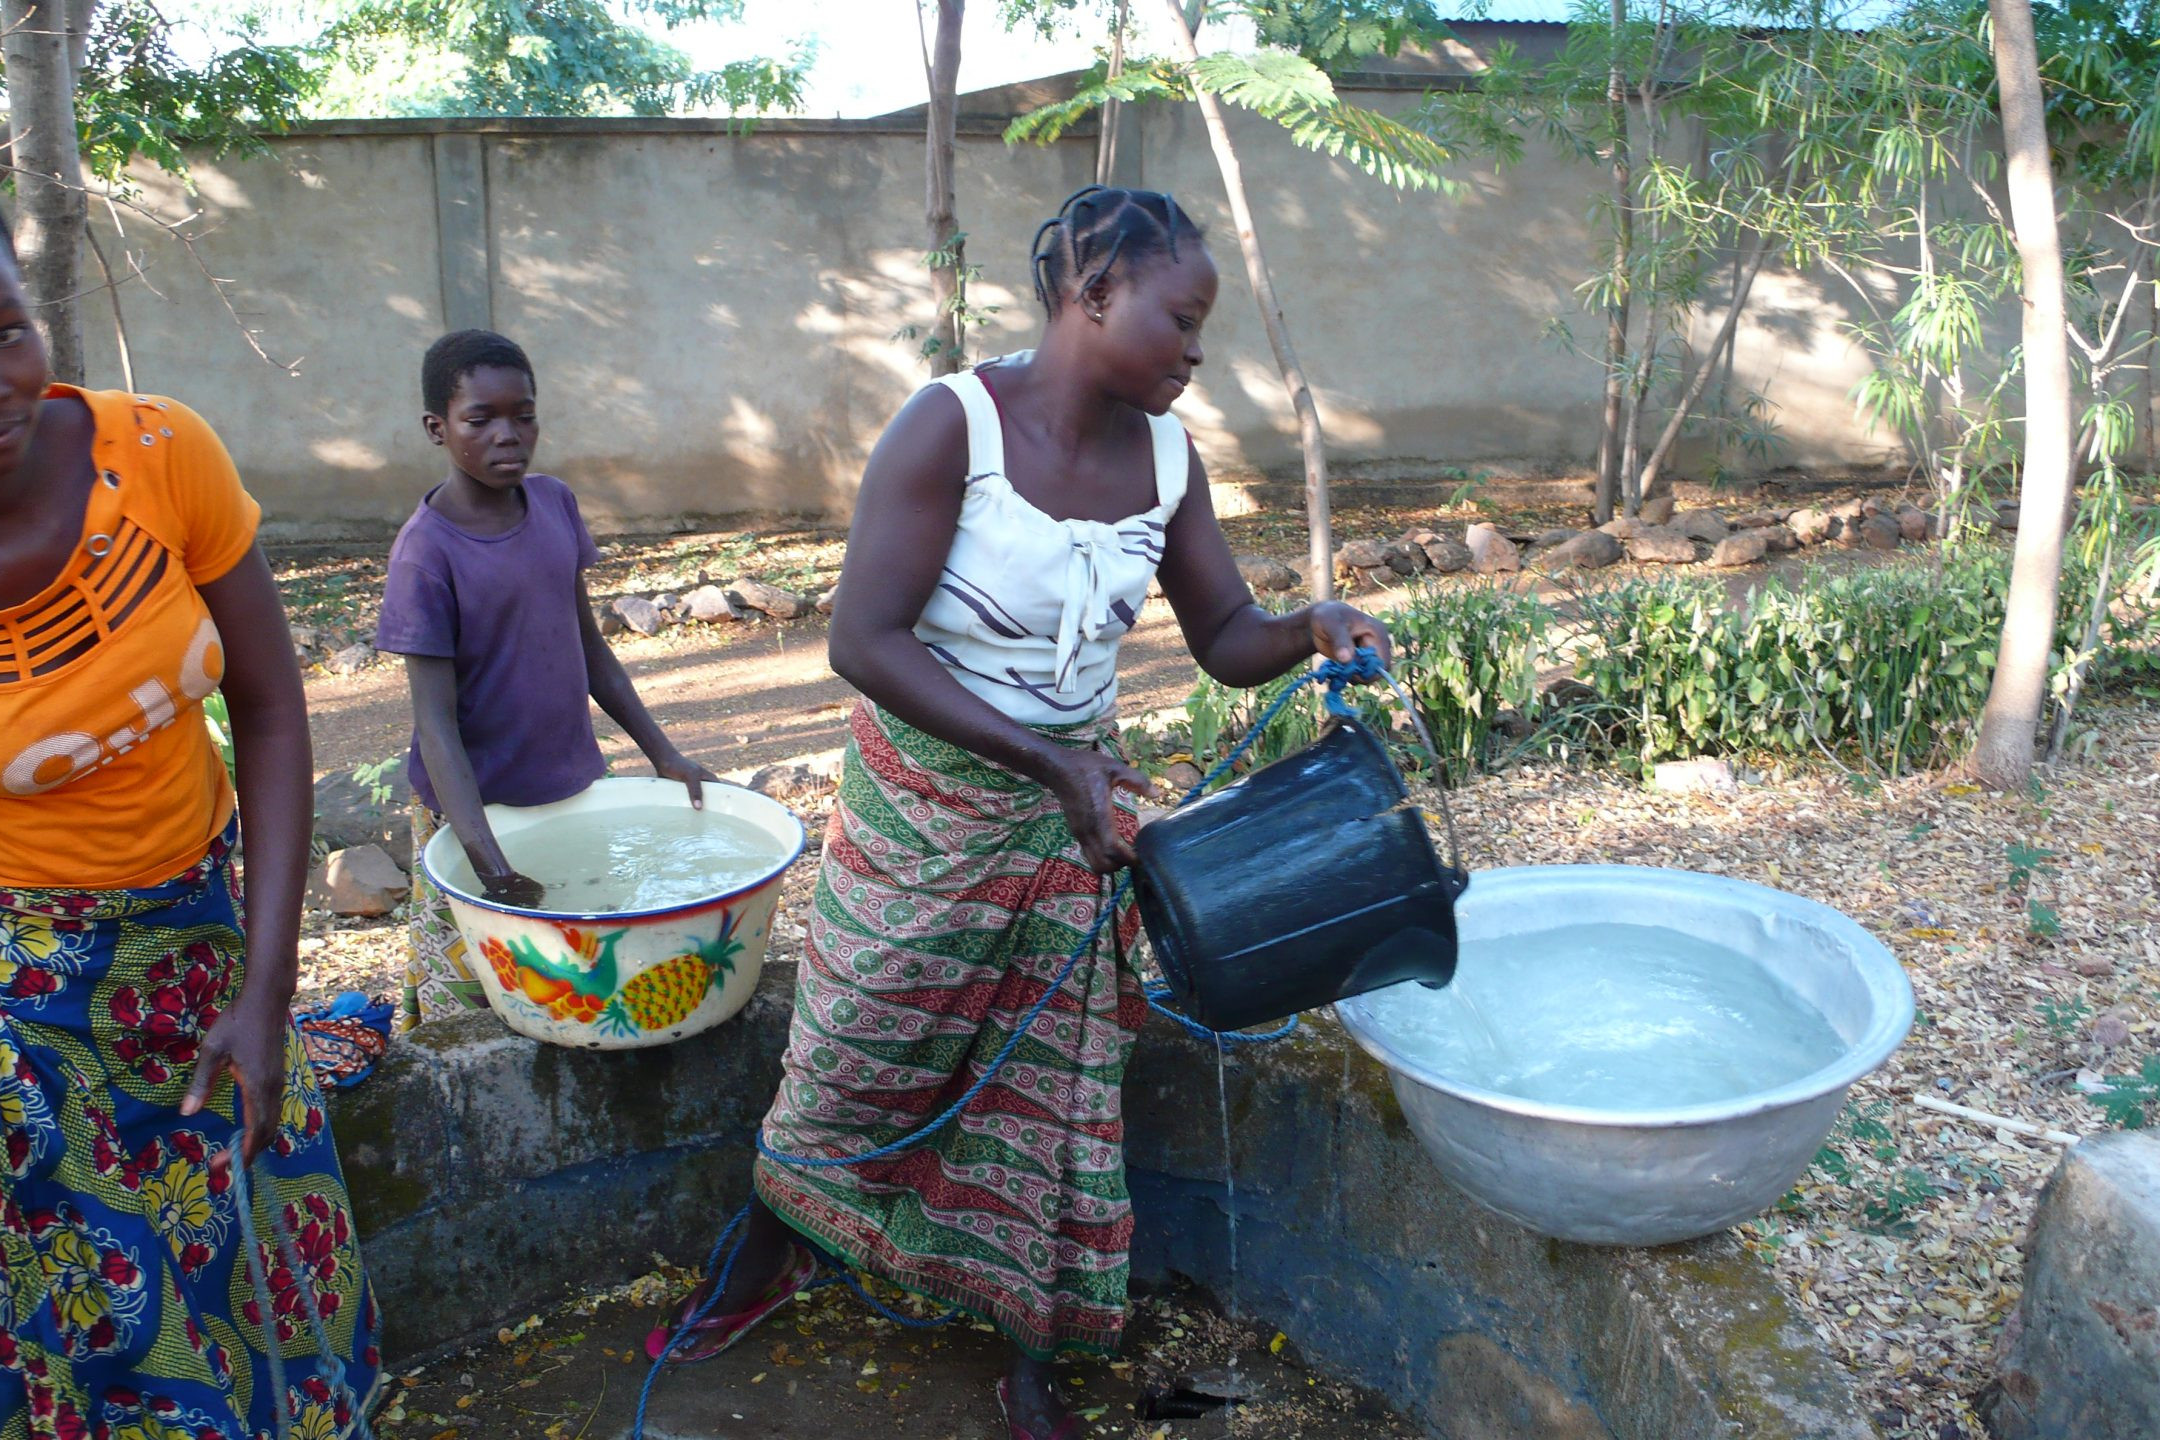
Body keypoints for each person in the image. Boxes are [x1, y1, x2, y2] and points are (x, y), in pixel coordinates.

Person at [651, 186, 1392, 1439]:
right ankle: (775, 1239)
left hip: (1073, 813)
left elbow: (1222, 636)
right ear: (1093, 296)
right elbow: (863, 641)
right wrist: (1052, 771)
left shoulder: (1168, 457)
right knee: (856, 1040)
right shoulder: (952, 428)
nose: (1199, 352)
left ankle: (1028, 1341)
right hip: (929, 801)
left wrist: (1310, 623)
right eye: (1183, 320)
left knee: (1053, 1086)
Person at [0, 219, 380, 1436]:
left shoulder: (159, 453)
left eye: (5, 332)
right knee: (103, 1314)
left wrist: (269, 993)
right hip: (25, 991)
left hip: (208, 930)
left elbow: (267, 712)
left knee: (273, 1261)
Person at [375, 330, 716, 1030]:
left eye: (523, 415)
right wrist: (489, 866)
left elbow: (589, 649)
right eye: (481, 419)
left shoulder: (555, 504)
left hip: (571, 787)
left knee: (576, 975)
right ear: (437, 428)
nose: (509, 435)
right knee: (468, 992)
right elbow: (434, 723)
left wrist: (664, 753)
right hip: (474, 812)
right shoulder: (426, 553)